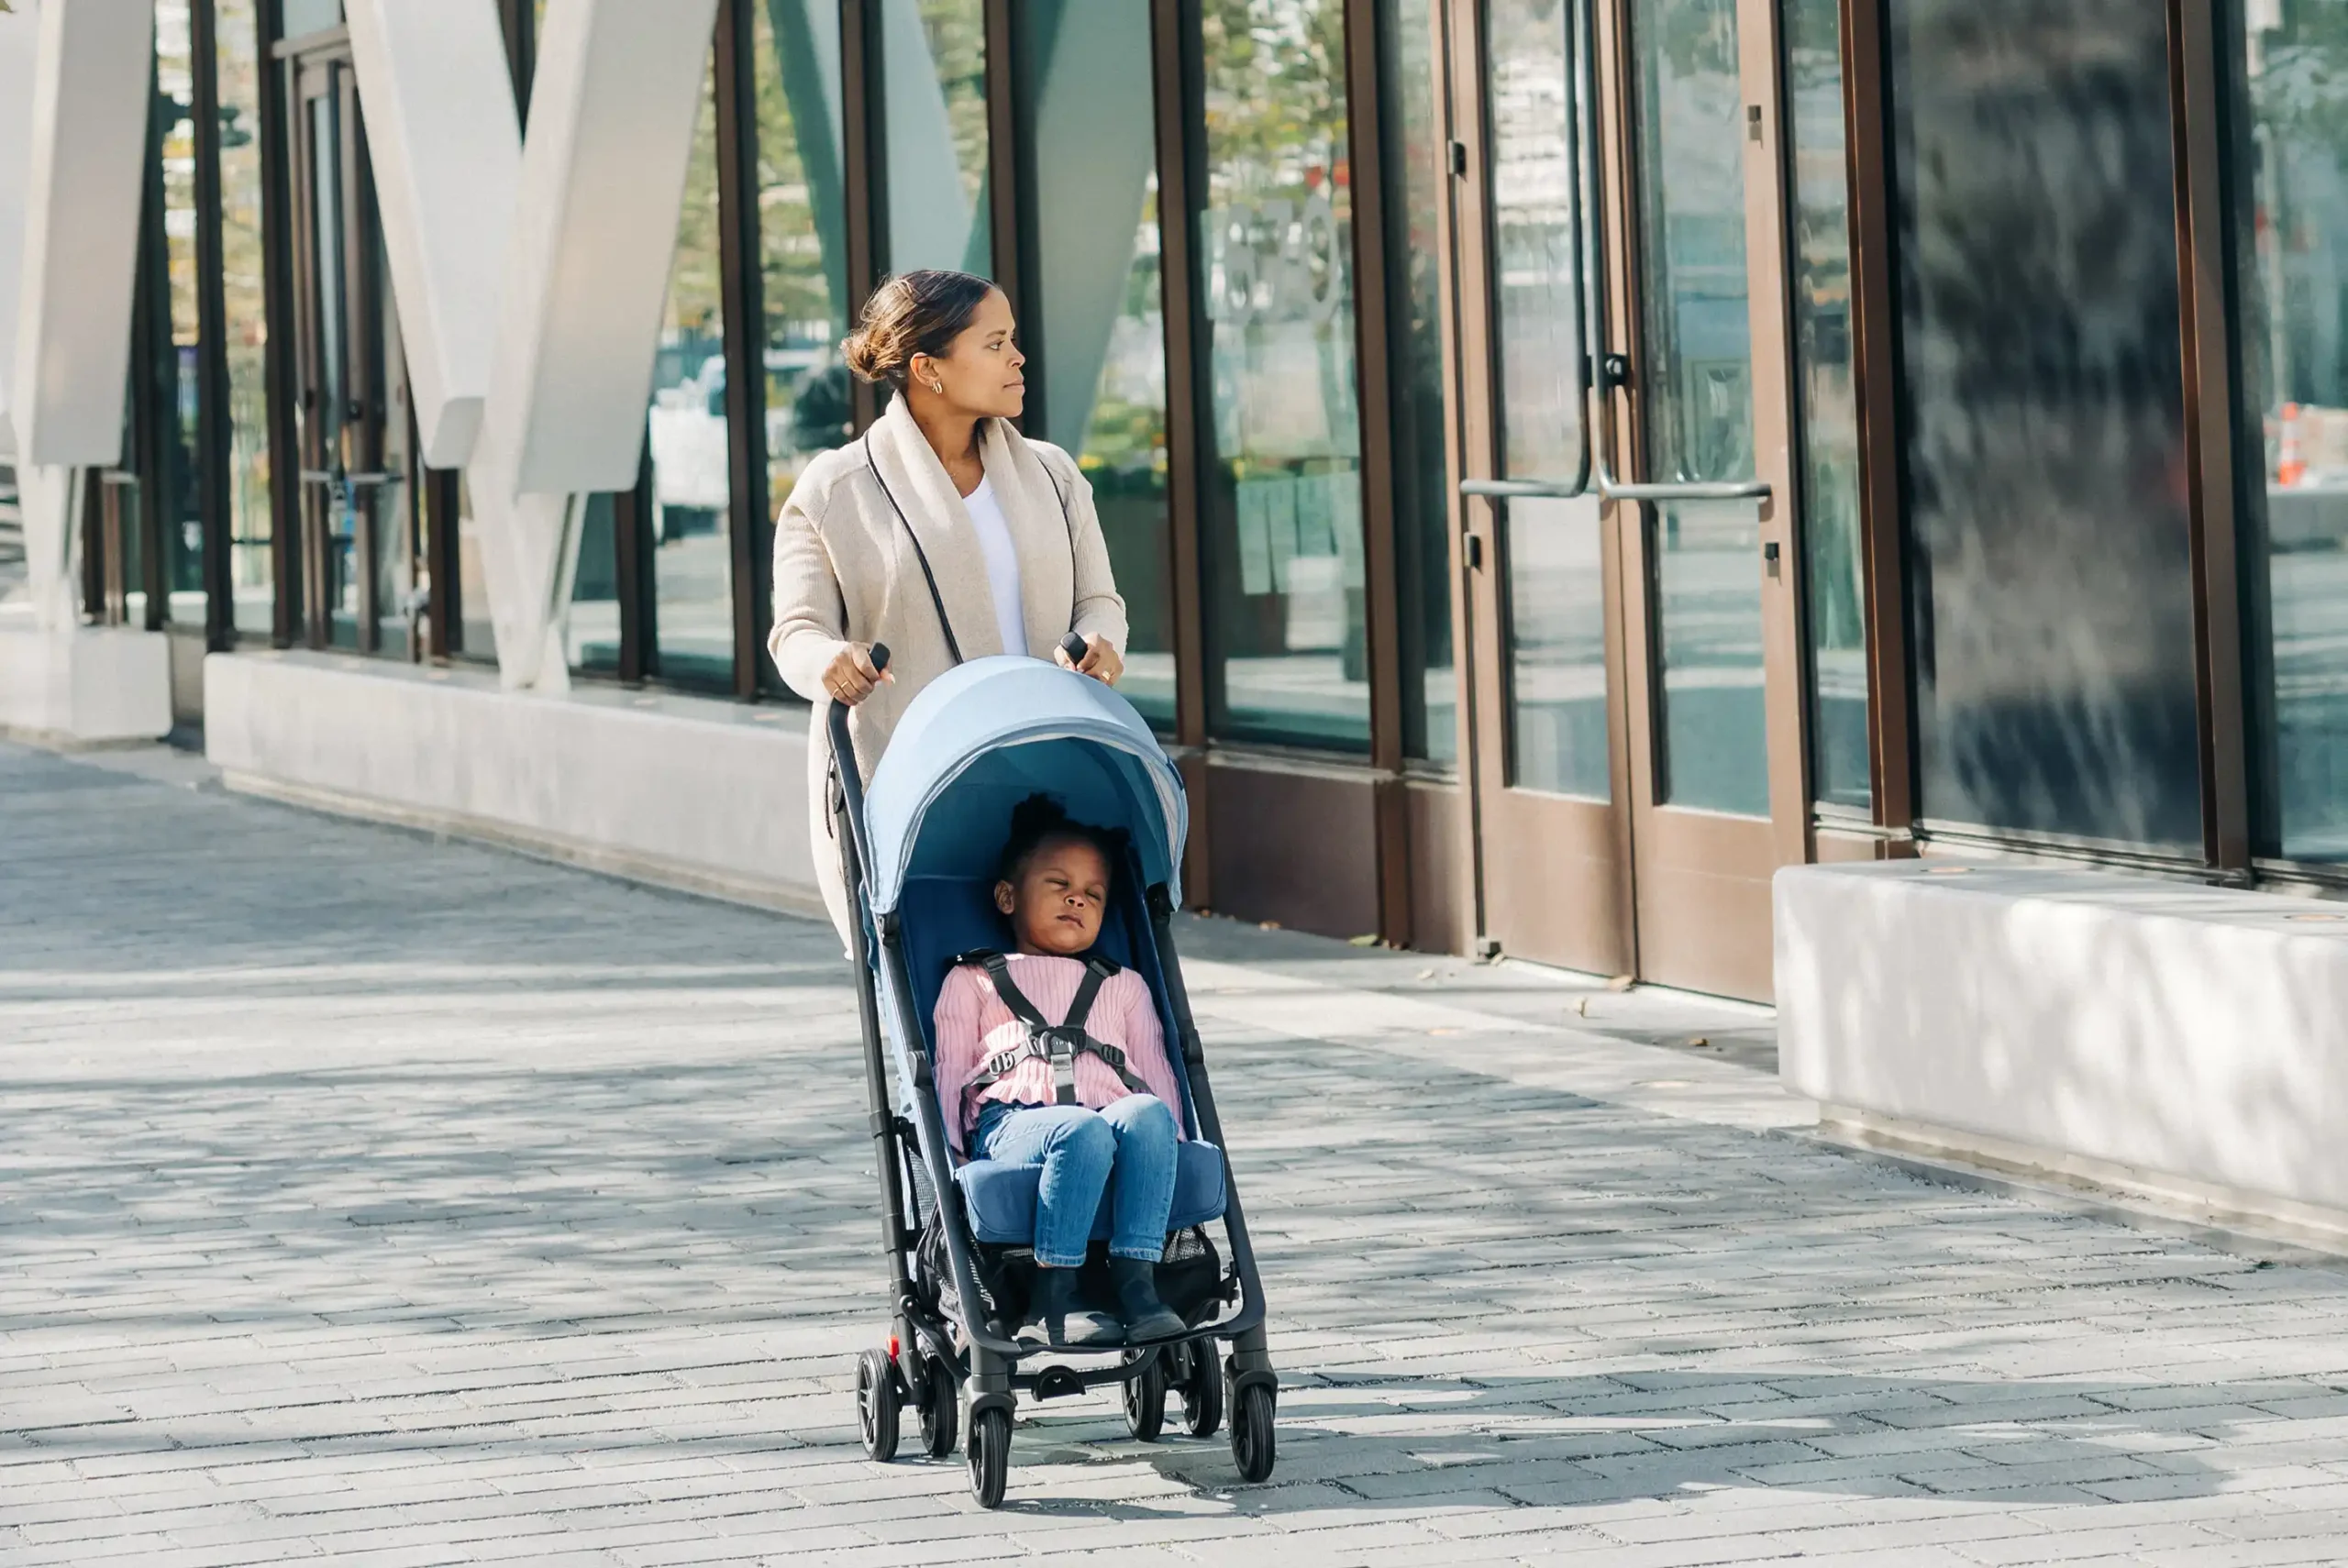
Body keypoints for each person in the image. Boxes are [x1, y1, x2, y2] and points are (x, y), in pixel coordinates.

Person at [769, 270, 1129, 944]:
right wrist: (831, 663)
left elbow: (1099, 601)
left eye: (1014, 340)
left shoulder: (1053, 475)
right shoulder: (836, 489)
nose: (1018, 358)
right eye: (995, 343)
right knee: (924, 1000)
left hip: (1049, 774)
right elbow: (796, 630)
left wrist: (1101, 641)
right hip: (907, 787)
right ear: (928, 368)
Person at [933, 795, 1189, 1350]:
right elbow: (950, 1069)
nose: (1078, 897)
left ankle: (1137, 1285)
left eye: (1094, 894)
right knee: (1081, 1129)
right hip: (1013, 1125)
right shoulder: (975, 979)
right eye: (1058, 884)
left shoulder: (1124, 985)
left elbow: (1155, 1073)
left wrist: (1177, 1140)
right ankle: (1057, 1294)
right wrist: (948, 1153)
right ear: (1007, 897)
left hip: (1110, 1118)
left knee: (1147, 1112)